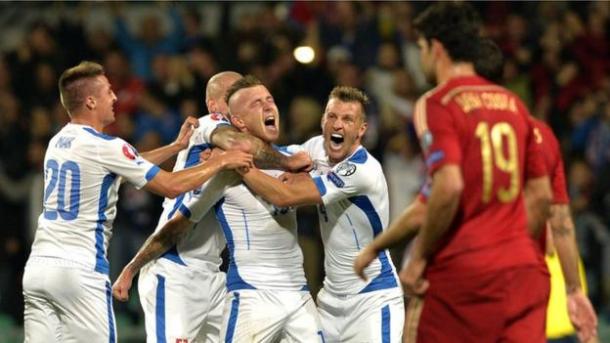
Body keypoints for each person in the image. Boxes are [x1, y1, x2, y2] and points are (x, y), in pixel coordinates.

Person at [22, 61, 253, 343]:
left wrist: (176, 147)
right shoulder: (107, 146)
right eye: (108, 92)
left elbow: (127, 166)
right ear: (91, 101)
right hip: (79, 270)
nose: (115, 97)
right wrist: (223, 162)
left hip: (38, 269)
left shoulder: (57, 141)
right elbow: (170, 186)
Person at [114, 75, 321, 342]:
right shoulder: (208, 125)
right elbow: (178, 224)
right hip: (175, 268)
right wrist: (288, 162)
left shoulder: (239, 157)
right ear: (214, 106)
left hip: (213, 274)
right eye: (232, 96)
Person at [395, 3, 553, 342]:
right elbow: (548, 204)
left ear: (437, 50)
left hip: (464, 269)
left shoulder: (440, 105)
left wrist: (418, 256)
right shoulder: (523, 114)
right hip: (523, 269)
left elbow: (445, 190)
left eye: (421, 48)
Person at [237, 86, 404, 342]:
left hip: (372, 299)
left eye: (347, 119)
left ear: (361, 129)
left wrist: (239, 166)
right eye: (332, 116)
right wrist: (228, 138)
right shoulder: (316, 147)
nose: (338, 125)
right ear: (322, 120)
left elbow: (285, 196)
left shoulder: (363, 169)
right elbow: (273, 155)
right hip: (330, 302)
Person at [531, 118, 597, 343]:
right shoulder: (565, 238)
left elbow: (550, 242)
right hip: (559, 321)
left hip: (552, 324)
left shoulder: (546, 227)